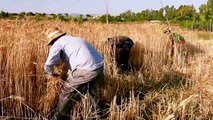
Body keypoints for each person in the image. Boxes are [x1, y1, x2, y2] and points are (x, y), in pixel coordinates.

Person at [44, 27, 104, 119]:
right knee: (91, 92)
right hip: (99, 66)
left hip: (86, 70)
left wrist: (51, 74)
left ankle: (57, 118)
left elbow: (48, 64)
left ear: (52, 40)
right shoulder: (75, 39)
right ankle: (98, 115)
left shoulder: (57, 44)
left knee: (66, 93)